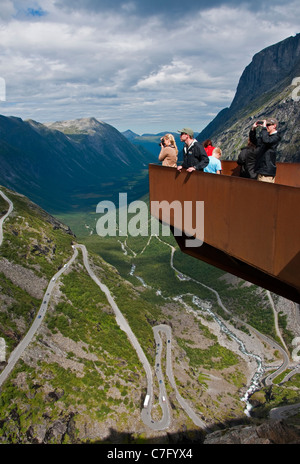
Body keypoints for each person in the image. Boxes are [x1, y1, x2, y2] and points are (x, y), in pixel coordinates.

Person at [250, 118, 281, 183]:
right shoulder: (265, 137)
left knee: (265, 192)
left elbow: (266, 141)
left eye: (268, 125)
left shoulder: (276, 137)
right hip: (261, 170)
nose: (267, 127)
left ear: (274, 126)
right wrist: (253, 129)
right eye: (266, 125)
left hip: (267, 172)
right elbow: (254, 141)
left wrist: (264, 128)